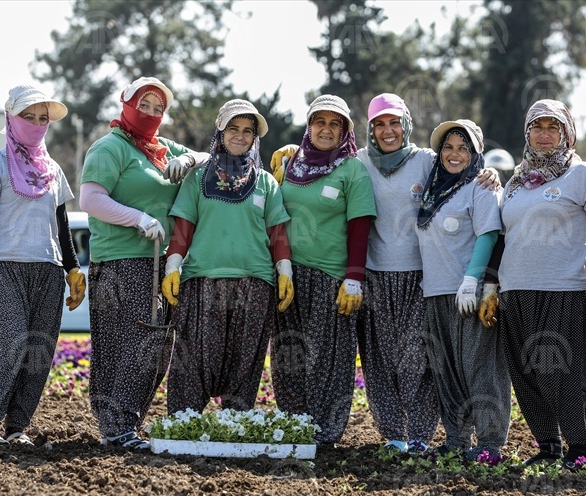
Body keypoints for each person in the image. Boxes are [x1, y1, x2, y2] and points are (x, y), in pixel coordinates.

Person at [352, 94, 501, 454]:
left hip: (419, 276)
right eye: (379, 125)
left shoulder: (424, 161)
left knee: (419, 359)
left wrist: (490, 172)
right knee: (381, 359)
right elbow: (325, 163)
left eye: (394, 123)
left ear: (405, 125)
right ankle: (393, 435)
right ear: (370, 129)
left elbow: (462, 163)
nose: (388, 131)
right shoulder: (358, 162)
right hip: (376, 273)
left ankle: (421, 434)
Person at [79, 77, 205, 450]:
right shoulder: (110, 148)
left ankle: (123, 424)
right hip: (120, 262)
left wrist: (187, 158)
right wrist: (138, 219)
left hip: (157, 263)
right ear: (126, 104)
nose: (150, 112)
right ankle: (117, 426)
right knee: (125, 345)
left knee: (153, 345)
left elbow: (208, 156)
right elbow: (90, 199)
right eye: (144, 104)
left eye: (158, 108)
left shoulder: (162, 149)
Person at [0, 85, 85, 448]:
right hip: (1, 268)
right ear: (10, 119)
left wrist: (73, 269)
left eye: (42, 118)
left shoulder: (54, 171)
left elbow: (61, 226)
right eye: (28, 116)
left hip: (47, 269)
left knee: (36, 353)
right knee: (6, 343)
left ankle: (16, 427)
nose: (36, 123)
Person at [160, 99, 293, 414]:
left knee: (244, 363)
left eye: (248, 131)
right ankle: (183, 423)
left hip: (256, 285)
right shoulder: (196, 179)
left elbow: (278, 235)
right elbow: (182, 230)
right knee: (193, 361)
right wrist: (172, 267)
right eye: (233, 128)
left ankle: (235, 425)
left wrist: (284, 272)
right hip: (202, 281)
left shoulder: (265, 182)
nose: (240, 135)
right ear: (219, 131)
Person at [497, 100, 586, 470]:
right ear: (526, 132)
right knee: (525, 371)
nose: (544, 134)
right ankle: (548, 445)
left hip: (567, 287)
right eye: (537, 127)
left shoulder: (582, 175)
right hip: (515, 288)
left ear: (567, 134)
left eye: (553, 127)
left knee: (560, 370)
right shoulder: (515, 181)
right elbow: (501, 234)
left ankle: (579, 446)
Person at [270, 95, 377, 447]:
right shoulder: (292, 163)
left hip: (331, 278)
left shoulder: (351, 170)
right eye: (320, 122)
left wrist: (354, 278)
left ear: (345, 130)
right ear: (309, 126)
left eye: (335, 124)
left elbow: (361, 228)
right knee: (289, 353)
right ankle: (293, 425)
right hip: (287, 275)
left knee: (328, 358)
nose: (326, 130)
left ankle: (324, 433)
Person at [414, 119, 511, 461]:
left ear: (475, 154)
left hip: (468, 293)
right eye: (449, 148)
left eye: (464, 149)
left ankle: (490, 443)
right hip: (435, 292)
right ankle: (457, 439)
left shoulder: (481, 187)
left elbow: (488, 233)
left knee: (480, 367)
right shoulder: (432, 189)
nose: (455, 155)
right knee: (447, 369)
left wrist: (473, 280)